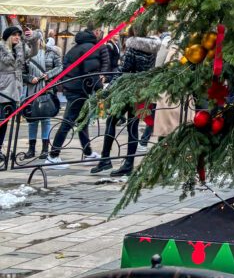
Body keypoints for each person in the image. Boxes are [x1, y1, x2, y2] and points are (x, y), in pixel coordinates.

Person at [92, 24, 160, 176]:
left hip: (127, 90)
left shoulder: (133, 47)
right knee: (132, 126)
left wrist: (108, 89)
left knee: (111, 121)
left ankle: (106, 159)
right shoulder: (153, 48)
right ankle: (128, 163)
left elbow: (123, 71)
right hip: (142, 91)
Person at [46, 29, 102, 163]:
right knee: (68, 122)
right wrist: (99, 88)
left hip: (73, 88)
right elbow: (91, 72)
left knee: (82, 121)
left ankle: (88, 152)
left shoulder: (75, 48)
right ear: (94, 35)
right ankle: (53, 156)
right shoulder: (90, 48)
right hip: (80, 90)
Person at [23, 32, 61, 160]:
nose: (35, 42)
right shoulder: (27, 54)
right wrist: (29, 78)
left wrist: (48, 75)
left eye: (36, 40)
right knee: (32, 119)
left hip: (47, 88)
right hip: (31, 89)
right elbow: (21, 72)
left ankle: (45, 149)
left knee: (45, 118)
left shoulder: (51, 52)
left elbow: (60, 67)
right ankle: (31, 149)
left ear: (41, 40)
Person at [0, 26, 26, 156]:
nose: (17, 37)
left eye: (19, 35)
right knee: (1, 121)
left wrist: (33, 38)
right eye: (15, 35)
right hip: (2, 89)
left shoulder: (18, 49)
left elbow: (34, 52)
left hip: (14, 91)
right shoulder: (1, 49)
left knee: (5, 122)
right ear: (8, 36)